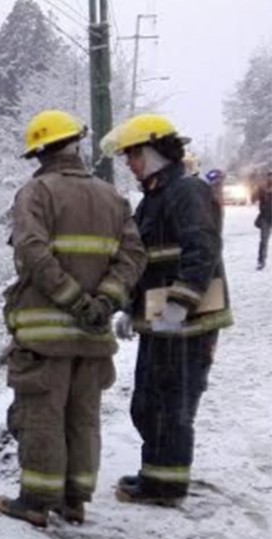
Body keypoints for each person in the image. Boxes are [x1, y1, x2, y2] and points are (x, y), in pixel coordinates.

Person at [0, 110, 146, 527]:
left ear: (40, 151)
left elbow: (32, 252)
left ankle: (36, 501)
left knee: (42, 414)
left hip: (45, 337)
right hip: (93, 336)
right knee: (83, 417)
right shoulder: (112, 197)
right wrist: (104, 301)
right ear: (76, 144)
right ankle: (75, 500)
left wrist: (74, 300)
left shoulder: (36, 193)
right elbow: (133, 256)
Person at [105, 114, 234, 507]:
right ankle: (155, 473)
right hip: (162, 318)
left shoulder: (187, 191)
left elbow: (202, 251)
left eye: (133, 155)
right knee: (149, 401)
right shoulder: (154, 199)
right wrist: (131, 308)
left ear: (155, 151)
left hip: (189, 320)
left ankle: (166, 486)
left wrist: (180, 303)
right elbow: (147, 263)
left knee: (172, 403)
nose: (129, 163)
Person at [257, 171, 272, 270]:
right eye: (269, 177)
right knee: (264, 240)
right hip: (265, 217)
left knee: (264, 240)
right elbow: (255, 198)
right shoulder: (262, 189)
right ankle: (261, 260)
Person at [205, 169, 226, 234]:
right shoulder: (211, 185)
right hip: (213, 205)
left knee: (217, 221)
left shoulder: (218, 184)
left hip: (217, 205)